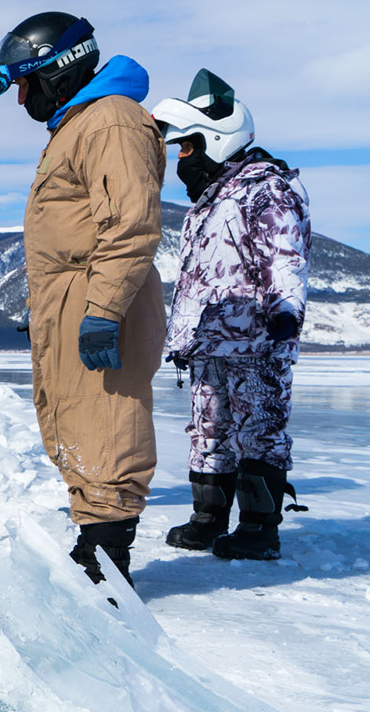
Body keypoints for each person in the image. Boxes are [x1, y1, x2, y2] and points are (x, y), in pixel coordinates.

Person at [0, 13, 166, 587]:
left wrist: (103, 310)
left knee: (108, 421)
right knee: (81, 423)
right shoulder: (80, 124)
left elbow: (130, 225)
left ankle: (109, 567)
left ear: (56, 73)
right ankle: (94, 547)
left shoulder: (109, 122)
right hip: (76, 302)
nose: (21, 101)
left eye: (24, 84)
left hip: (100, 301)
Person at [152, 71, 310, 561]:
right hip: (209, 341)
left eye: (187, 148)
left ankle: (260, 527)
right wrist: (182, 334)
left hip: (254, 338)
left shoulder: (266, 189)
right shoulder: (213, 199)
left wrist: (284, 311)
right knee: (208, 429)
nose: (182, 160)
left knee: (258, 428)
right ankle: (208, 518)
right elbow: (198, 276)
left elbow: (284, 256)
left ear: (217, 140)